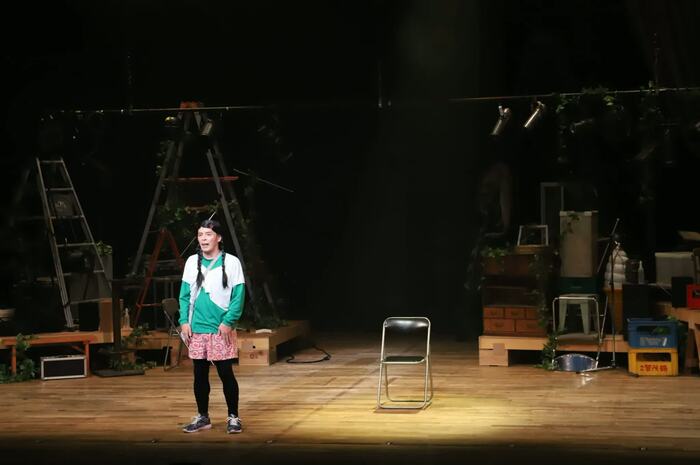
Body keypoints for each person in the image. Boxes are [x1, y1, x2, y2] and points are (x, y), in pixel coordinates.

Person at [179, 219, 245, 434]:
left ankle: (233, 416)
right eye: (200, 235)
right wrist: (184, 321)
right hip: (196, 327)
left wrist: (228, 322)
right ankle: (203, 416)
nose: (203, 239)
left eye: (208, 234)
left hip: (220, 328)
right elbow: (184, 295)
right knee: (199, 374)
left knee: (226, 372)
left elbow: (238, 296)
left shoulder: (232, 262)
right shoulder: (191, 262)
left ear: (219, 238)